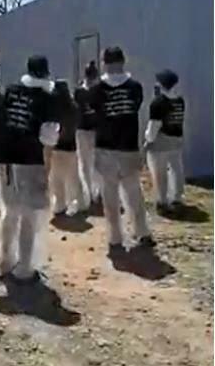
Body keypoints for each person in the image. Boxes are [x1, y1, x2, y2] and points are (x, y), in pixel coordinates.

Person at [0, 55, 60, 283]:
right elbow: (49, 137)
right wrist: (47, 165)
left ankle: (6, 259)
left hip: (8, 159)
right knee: (29, 216)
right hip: (32, 160)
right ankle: (25, 267)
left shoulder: (12, 91)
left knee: (10, 211)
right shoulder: (48, 98)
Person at [89, 47, 155, 253]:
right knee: (134, 192)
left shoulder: (97, 89)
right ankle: (142, 232)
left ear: (104, 62)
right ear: (123, 61)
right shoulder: (135, 87)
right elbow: (134, 107)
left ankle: (115, 237)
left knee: (110, 195)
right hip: (128, 146)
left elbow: (95, 112)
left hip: (105, 147)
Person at [145, 69, 185, 215]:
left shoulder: (158, 103)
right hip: (177, 139)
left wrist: (148, 140)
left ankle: (162, 200)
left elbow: (154, 126)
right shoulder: (179, 100)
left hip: (161, 141)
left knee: (159, 172)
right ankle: (177, 196)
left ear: (161, 84)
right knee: (176, 169)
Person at [50, 79, 85, 216]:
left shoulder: (52, 107)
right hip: (71, 146)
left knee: (56, 179)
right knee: (73, 178)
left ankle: (60, 205)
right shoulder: (74, 107)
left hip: (55, 147)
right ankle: (79, 203)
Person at [74, 60, 100, 207]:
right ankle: (97, 193)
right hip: (95, 130)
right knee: (96, 163)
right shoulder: (99, 91)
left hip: (82, 130)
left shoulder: (78, 91)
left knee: (84, 163)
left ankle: (88, 193)